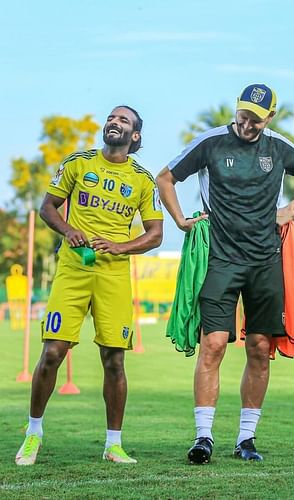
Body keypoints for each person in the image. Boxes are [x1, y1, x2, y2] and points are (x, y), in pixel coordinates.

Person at [156, 84, 294, 464]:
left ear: (270, 117)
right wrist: (181, 221)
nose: (247, 122)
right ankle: (203, 437)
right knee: (214, 344)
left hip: (266, 260)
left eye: (256, 117)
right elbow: (165, 178)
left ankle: (246, 439)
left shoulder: (279, 146)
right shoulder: (211, 142)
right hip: (220, 259)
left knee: (259, 349)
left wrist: (293, 208)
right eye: (242, 114)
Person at [15, 106, 164, 466]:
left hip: (113, 275)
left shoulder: (143, 180)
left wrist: (120, 247)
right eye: (112, 118)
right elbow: (48, 207)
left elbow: (156, 234)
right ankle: (33, 433)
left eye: (123, 121)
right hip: (73, 268)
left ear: (135, 136)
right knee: (52, 353)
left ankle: (113, 444)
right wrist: (69, 230)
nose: (114, 123)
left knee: (114, 360)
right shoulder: (78, 164)